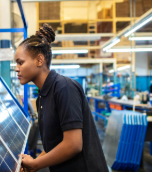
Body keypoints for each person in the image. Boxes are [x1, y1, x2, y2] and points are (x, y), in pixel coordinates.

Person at [15, 23, 109, 172]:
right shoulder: (43, 97)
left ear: (40, 60)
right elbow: (55, 144)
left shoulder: (64, 88)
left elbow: (73, 144)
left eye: (21, 62)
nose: (16, 68)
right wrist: (35, 163)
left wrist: (37, 164)